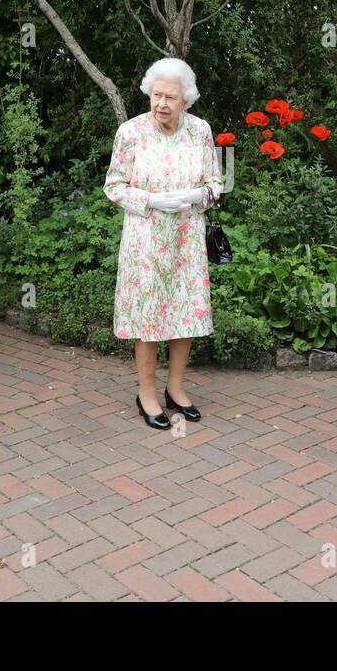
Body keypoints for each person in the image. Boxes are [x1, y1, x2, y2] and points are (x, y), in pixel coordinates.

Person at [103, 57, 224, 429]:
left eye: (171, 97)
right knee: (149, 316)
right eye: (156, 95)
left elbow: (216, 183)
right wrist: (152, 200)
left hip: (187, 240)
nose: (162, 105)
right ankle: (147, 393)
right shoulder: (131, 132)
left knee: (183, 314)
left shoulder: (200, 130)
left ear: (186, 100)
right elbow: (113, 186)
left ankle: (175, 388)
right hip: (146, 242)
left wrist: (195, 196)